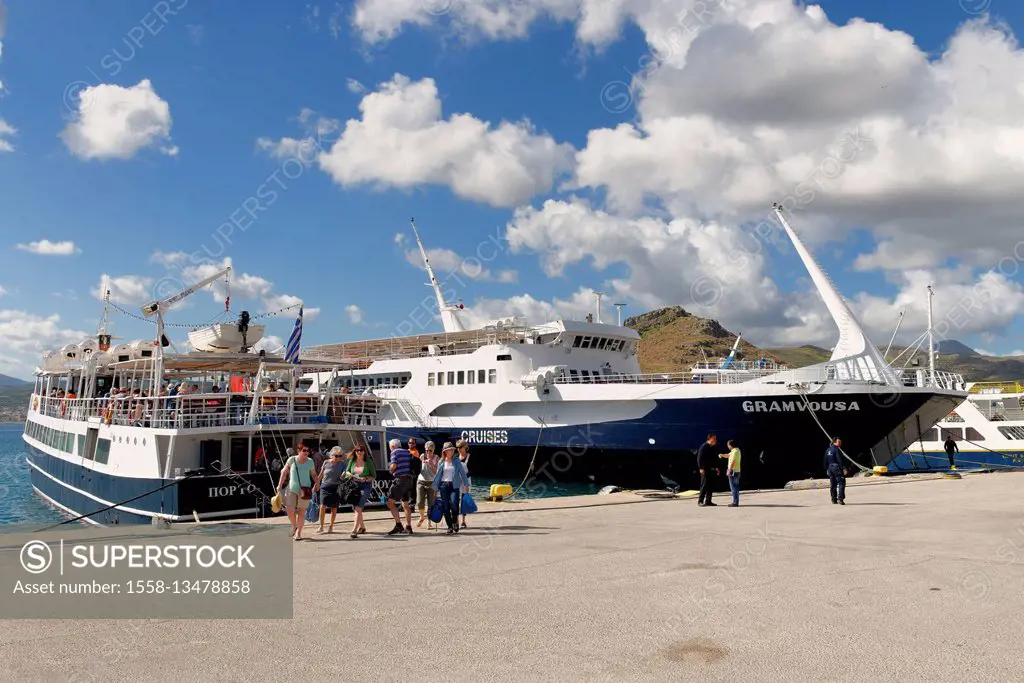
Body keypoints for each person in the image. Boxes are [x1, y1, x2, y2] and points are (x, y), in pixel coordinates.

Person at [276, 444, 321, 540]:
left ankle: (298, 533)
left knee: (301, 512)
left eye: (307, 451)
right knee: (289, 509)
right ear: (299, 451)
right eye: (304, 450)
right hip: (291, 489)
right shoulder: (292, 459)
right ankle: (295, 526)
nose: (306, 452)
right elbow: (284, 472)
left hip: (305, 490)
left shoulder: (310, 461)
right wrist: (279, 485)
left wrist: (317, 483)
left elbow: (313, 474)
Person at [433, 442, 470, 534]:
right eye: (450, 450)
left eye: (453, 450)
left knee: (454, 505)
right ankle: (449, 527)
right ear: (445, 451)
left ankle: (454, 522)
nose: (452, 451)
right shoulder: (441, 462)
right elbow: (438, 476)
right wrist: (435, 489)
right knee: (445, 507)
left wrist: (466, 485)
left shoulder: (456, 461)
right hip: (444, 486)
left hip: (454, 485)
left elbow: (462, 473)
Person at [345, 444, 376, 539]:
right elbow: (346, 471)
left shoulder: (368, 461)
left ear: (364, 452)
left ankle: (354, 530)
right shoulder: (352, 461)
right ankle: (362, 527)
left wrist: (366, 478)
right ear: (355, 451)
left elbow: (373, 476)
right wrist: (349, 474)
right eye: (357, 450)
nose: (359, 452)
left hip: (365, 486)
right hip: (354, 486)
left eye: (361, 450)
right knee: (356, 508)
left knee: (358, 508)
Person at [385, 438, 415, 535]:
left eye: (390, 448)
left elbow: (393, 466)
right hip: (409, 480)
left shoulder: (394, 452)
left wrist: (390, 471)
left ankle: (398, 525)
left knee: (390, 502)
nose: (390, 450)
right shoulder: (407, 452)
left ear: (393, 446)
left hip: (400, 480)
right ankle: (409, 526)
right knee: (405, 504)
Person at [316, 446, 348, 534]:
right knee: (322, 506)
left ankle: (331, 526)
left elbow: (345, 472)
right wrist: (317, 483)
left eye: (340, 456)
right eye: (336, 456)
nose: (338, 458)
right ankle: (321, 526)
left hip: (336, 487)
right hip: (325, 486)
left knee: (334, 508)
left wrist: (343, 474)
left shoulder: (342, 464)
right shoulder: (326, 462)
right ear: (331, 455)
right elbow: (321, 474)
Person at [416, 441, 439, 529]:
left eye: (430, 451)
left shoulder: (436, 458)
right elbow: (419, 463)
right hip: (421, 481)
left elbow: (436, 471)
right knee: (419, 501)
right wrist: (424, 460)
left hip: (431, 482)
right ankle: (422, 517)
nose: (428, 452)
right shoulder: (422, 456)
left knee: (431, 503)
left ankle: (429, 522)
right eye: (427, 450)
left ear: (433, 450)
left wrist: (431, 464)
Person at [696, 434, 720, 507]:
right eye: (714, 439)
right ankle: (700, 501)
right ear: (709, 439)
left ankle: (708, 501)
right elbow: (699, 458)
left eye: (716, 439)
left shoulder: (713, 447)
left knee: (710, 485)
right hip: (705, 469)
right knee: (704, 485)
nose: (715, 440)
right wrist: (701, 468)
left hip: (711, 469)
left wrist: (716, 468)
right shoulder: (704, 447)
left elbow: (714, 459)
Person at [719, 439, 742, 507]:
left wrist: (729, 470)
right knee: (736, 486)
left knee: (733, 487)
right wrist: (722, 455)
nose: (728, 446)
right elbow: (728, 455)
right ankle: (736, 501)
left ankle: (735, 502)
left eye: (728, 445)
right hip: (737, 471)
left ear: (730, 445)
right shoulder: (736, 451)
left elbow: (733, 462)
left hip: (733, 471)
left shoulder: (734, 452)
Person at [825, 437, 846, 505]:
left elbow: (825, 460)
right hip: (836, 467)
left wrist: (827, 469)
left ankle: (833, 499)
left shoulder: (828, 450)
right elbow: (839, 459)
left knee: (833, 484)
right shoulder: (837, 450)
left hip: (830, 467)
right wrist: (843, 468)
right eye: (839, 442)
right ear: (834, 442)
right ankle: (840, 499)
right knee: (841, 482)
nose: (840, 443)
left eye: (840, 442)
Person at [456, 439, 472, 529]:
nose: (458, 449)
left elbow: (473, 470)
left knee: (464, 500)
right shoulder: (456, 458)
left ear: (465, 447)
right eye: (457, 447)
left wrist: (464, 476)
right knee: (456, 500)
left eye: (460, 447)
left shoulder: (470, 457)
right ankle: (456, 520)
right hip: (458, 481)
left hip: (466, 481)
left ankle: (463, 520)